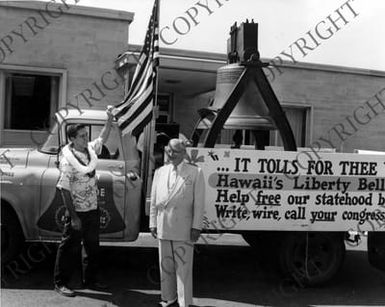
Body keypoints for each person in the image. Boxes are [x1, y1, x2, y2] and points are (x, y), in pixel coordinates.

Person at [53, 107, 114, 297]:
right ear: (72, 139)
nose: (85, 139)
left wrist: (110, 119)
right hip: (77, 212)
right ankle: (60, 282)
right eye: (81, 136)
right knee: (69, 248)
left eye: (86, 135)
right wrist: (73, 217)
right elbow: (64, 189)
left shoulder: (89, 150)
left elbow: (103, 136)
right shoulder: (68, 161)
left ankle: (91, 279)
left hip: (92, 209)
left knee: (92, 246)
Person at [150, 138, 205, 307]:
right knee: (165, 265)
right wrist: (153, 222)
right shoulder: (160, 172)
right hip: (163, 226)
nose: (171, 154)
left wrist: (196, 227)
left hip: (184, 227)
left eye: (175, 151)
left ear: (184, 153)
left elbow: (199, 203)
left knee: (184, 268)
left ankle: (184, 302)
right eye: (169, 151)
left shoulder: (195, 172)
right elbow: (154, 200)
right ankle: (168, 297)